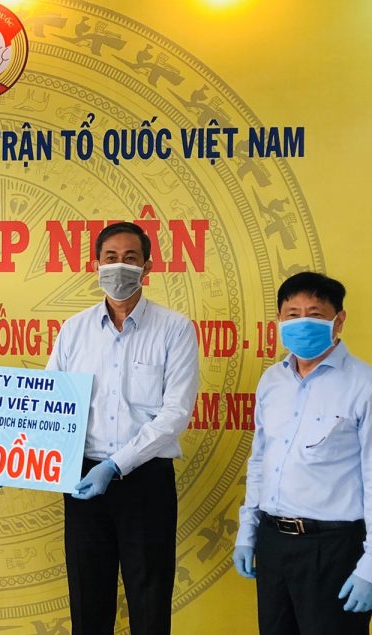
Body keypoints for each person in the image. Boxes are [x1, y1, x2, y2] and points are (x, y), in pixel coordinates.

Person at [46, 221, 199, 635]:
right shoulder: (74, 330)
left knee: (149, 606)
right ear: (95, 265)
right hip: (82, 481)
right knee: (88, 605)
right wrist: (7, 459)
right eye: (110, 258)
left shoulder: (175, 328)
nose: (119, 266)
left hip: (145, 482)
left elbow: (175, 414)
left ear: (147, 267)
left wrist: (116, 464)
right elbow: (48, 404)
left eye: (130, 258)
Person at [233, 271, 372, 634]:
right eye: (292, 314)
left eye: (315, 313)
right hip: (273, 542)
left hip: (334, 549)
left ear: (339, 320)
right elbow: (260, 461)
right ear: (279, 320)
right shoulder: (271, 381)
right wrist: (248, 531)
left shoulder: (364, 384)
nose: (302, 322)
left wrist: (371, 568)